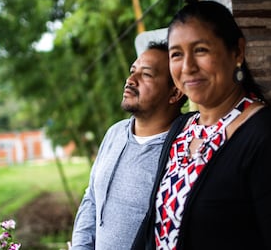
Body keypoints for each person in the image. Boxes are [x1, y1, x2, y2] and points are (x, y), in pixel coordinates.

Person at [132, 0, 271, 250]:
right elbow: (154, 225)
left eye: (201, 50)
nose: (187, 67)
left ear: (237, 51)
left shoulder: (269, 139)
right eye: (176, 54)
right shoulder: (182, 129)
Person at [70, 41, 187, 250]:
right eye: (132, 71)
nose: (131, 80)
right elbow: (92, 199)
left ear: (175, 93)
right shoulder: (115, 133)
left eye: (147, 74)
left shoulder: (183, 148)